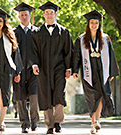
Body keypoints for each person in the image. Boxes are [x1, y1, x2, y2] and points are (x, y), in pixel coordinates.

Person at [72, 10, 119, 134]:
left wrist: (112, 72)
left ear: (99, 24)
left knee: (101, 95)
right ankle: (93, 122)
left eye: (96, 23)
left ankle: (96, 121)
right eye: (92, 22)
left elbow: (111, 55)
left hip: (102, 69)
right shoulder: (81, 39)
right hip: (89, 70)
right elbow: (76, 56)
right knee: (92, 97)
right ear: (88, 24)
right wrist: (75, 70)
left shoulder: (105, 38)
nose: (94, 25)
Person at [31, 1, 73, 134]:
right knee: (45, 95)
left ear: (55, 14)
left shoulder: (64, 32)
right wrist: (35, 64)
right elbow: (33, 51)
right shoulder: (37, 32)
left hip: (59, 68)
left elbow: (68, 51)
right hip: (43, 69)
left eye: (52, 13)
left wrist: (68, 68)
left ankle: (58, 121)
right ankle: (49, 125)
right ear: (44, 15)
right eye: (47, 13)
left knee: (59, 94)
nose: (49, 15)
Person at [13, 2, 40, 133]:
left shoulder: (37, 32)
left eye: (26, 15)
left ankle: (34, 121)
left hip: (33, 70)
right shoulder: (13, 33)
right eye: (22, 15)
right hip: (18, 70)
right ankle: (24, 123)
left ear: (30, 16)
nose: (24, 17)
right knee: (20, 97)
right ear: (19, 17)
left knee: (34, 95)